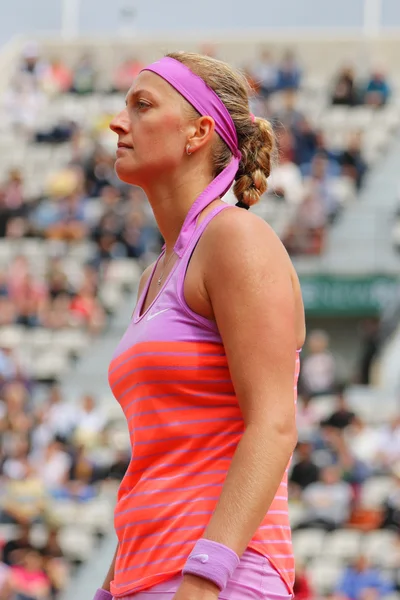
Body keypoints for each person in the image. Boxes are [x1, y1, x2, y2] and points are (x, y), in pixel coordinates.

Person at [97, 52, 305, 600]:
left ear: (199, 132)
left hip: (219, 579)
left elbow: (275, 425)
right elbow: (159, 458)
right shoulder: (155, 273)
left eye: (142, 105)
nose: (119, 123)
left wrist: (203, 578)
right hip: (147, 575)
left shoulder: (238, 240)